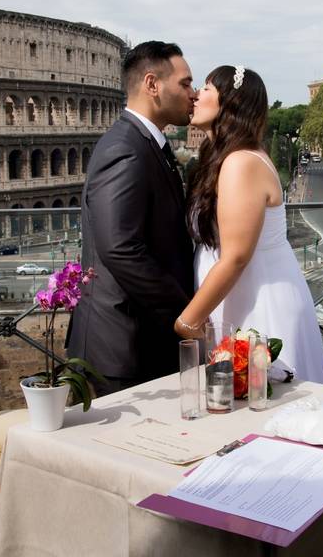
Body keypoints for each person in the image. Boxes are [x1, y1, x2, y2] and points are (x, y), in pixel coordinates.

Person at [173, 65, 323, 384]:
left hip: (260, 306)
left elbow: (236, 256)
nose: (196, 95)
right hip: (239, 300)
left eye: (206, 88)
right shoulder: (223, 157)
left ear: (230, 104)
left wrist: (188, 321)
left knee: (266, 409)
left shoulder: (241, 161)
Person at [67, 41, 197, 394]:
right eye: (185, 84)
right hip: (121, 348)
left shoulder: (146, 144)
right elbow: (120, 248)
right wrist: (187, 313)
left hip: (139, 340)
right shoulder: (125, 148)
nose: (194, 93)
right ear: (152, 85)